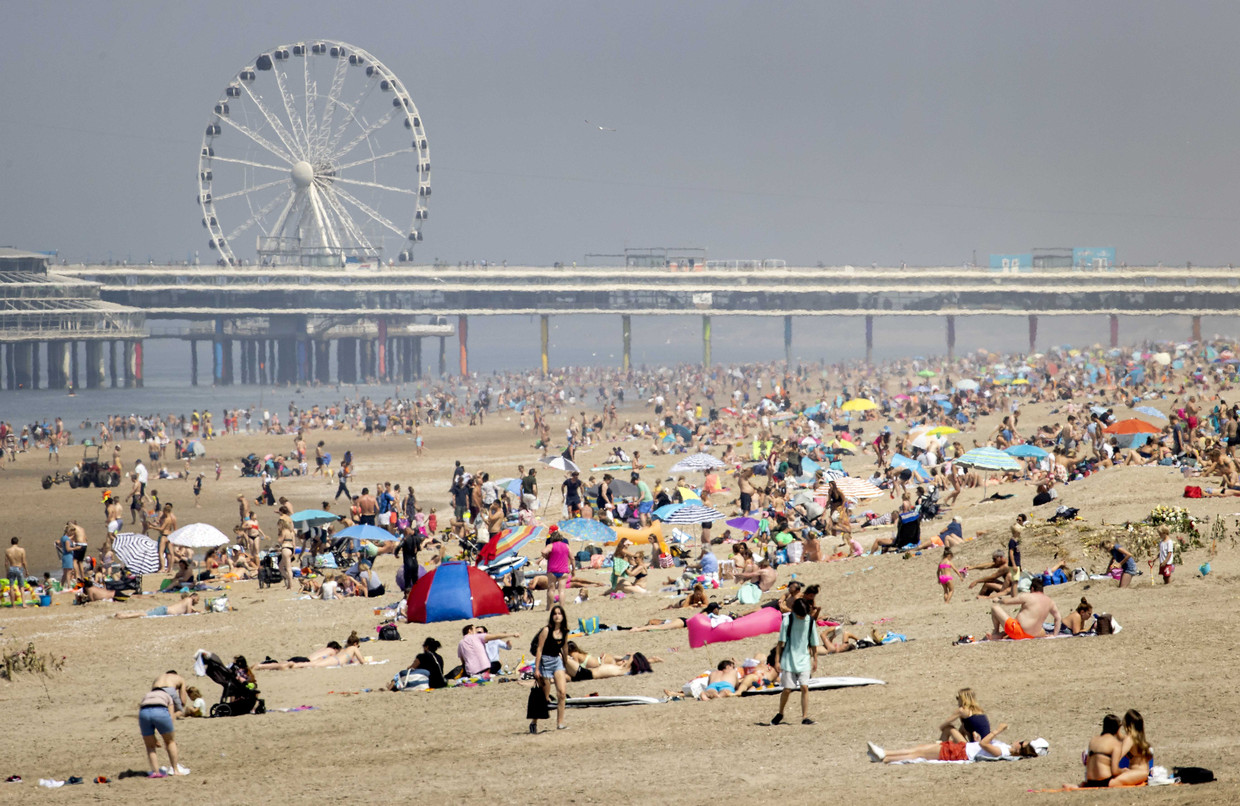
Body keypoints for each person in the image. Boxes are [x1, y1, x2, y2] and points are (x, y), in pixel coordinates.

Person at [868, 723, 1046, 764]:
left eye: (1022, 741)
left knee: (918, 752)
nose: (1019, 740)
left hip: (959, 752)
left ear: (1021, 747)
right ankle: (883, 757)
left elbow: (985, 745)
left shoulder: (1003, 751)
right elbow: (982, 746)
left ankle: (885, 754)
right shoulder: (1006, 749)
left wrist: (998, 730)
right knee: (920, 751)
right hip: (962, 749)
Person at [771, 597, 819, 725]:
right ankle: (780, 713)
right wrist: (777, 661)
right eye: (800, 615)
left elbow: (813, 643)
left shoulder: (810, 621)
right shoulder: (788, 620)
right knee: (787, 689)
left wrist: (815, 659)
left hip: (804, 658)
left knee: (804, 687)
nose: (802, 617)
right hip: (788, 658)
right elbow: (780, 643)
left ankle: (805, 717)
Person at [531, 604, 570, 733]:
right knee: (544, 697)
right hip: (545, 662)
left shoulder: (565, 631)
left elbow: (564, 648)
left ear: (563, 616)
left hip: (557, 662)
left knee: (562, 693)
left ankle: (560, 723)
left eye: (559, 613)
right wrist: (536, 669)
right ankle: (534, 721)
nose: (557, 616)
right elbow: (539, 649)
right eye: (555, 614)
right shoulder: (546, 630)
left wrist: (565, 663)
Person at [137, 684, 188, 777]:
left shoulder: (147, 695)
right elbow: (171, 714)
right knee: (170, 742)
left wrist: (154, 739)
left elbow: (144, 710)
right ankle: (175, 770)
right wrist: (169, 731)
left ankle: (156, 772)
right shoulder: (167, 696)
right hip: (160, 710)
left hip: (143, 712)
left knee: (150, 746)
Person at [986, 578, 1061, 640]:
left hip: (1018, 631)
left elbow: (1007, 602)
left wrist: (998, 600)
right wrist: (1054, 635)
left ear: (1032, 588)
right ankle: (1003, 634)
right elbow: (1058, 618)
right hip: (1036, 634)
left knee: (995, 608)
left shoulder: (1028, 596)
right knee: (1041, 629)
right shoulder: (1050, 601)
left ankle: (996, 632)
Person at [1073, 713, 1124, 788]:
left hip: (1090, 781)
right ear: (1117, 729)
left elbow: (1087, 763)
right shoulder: (1115, 743)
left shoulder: (1093, 740)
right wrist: (1124, 770)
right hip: (1104, 781)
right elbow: (1115, 771)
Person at [114, 592, 201, 619]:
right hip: (165, 610)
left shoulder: (185, 601)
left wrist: (197, 611)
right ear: (193, 596)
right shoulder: (189, 600)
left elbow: (189, 609)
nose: (197, 601)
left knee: (145, 613)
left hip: (165, 610)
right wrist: (195, 611)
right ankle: (124, 616)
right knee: (144, 614)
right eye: (197, 599)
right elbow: (188, 613)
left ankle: (124, 615)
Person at [542, 532, 572, 610]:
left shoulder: (551, 545)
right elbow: (572, 558)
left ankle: (550, 607)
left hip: (552, 570)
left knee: (551, 590)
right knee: (561, 591)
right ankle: (562, 607)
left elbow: (543, 551)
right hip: (563, 571)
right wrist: (573, 569)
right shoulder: (566, 546)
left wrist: (546, 556)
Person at [4, 536, 29, 607]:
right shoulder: (21, 550)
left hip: (11, 568)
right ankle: (24, 603)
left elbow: (6, 563)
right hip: (19, 568)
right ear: (17, 542)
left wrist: (7, 572)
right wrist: (26, 570)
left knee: (11, 586)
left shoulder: (7, 550)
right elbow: (24, 561)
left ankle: (13, 604)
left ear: (11, 542)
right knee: (21, 586)